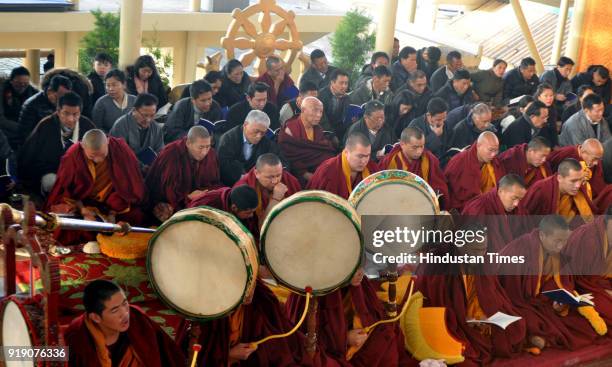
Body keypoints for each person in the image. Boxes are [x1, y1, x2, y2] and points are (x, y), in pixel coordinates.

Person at [416, 228, 527, 365]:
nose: (481, 255)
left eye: (483, 249)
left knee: (516, 329)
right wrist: (466, 318)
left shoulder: (482, 261)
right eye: (475, 250)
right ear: (460, 246)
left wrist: (486, 315)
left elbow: (492, 295)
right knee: (463, 354)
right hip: (455, 322)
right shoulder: (441, 265)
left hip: (478, 319)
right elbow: (437, 304)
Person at [499, 216, 607, 352]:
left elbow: (559, 283)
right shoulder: (519, 250)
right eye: (557, 241)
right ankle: (535, 337)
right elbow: (510, 292)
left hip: (542, 302)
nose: (561, 246)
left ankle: (540, 336)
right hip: (518, 302)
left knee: (582, 325)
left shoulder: (557, 253)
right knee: (526, 321)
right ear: (542, 235)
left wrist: (558, 302)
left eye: (564, 241)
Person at [286, 268, 414, 366]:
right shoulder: (313, 289)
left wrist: (366, 331)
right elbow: (303, 339)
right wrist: (345, 339)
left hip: (354, 340)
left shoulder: (359, 280)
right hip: (328, 347)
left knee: (388, 336)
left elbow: (373, 317)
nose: (360, 273)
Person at [46, 130, 146, 241]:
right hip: (84, 203)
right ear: (83, 146)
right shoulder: (73, 155)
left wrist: (112, 213)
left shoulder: (120, 150)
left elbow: (128, 187)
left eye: (103, 155)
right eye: (92, 156)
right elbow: (64, 191)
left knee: (136, 216)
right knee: (63, 225)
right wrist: (82, 210)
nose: (99, 160)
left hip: (114, 204)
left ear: (107, 142)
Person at [65, 279, 184, 367]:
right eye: (115, 310)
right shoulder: (77, 335)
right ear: (96, 317)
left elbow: (168, 352)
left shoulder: (137, 318)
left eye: (124, 303)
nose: (125, 313)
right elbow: (50, 355)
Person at [18, 92, 95, 194]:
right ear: (58, 112)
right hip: (52, 172)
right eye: (66, 113)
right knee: (52, 182)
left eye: (75, 114)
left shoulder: (87, 126)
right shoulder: (45, 126)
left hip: (79, 173)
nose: (70, 119)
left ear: (80, 112)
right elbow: (29, 155)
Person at [146, 126, 221, 222]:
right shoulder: (171, 154)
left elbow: (214, 182)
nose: (204, 152)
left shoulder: (211, 154)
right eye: (201, 147)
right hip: (169, 201)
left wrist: (206, 194)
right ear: (188, 143)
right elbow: (163, 190)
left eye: (208, 146)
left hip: (199, 198)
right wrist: (188, 197)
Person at [563, 210, 612, 326]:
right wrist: (606, 291)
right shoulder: (588, 239)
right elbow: (579, 279)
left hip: (601, 282)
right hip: (582, 287)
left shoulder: (607, 235)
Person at [379, 126, 449, 209]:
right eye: (414, 147)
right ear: (402, 144)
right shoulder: (390, 161)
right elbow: (381, 189)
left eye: (422, 146)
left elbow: (439, 184)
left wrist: (435, 193)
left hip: (422, 204)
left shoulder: (429, 159)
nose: (419, 151)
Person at [217, 110, 287, 186]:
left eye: (263, 133)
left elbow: (281, 160)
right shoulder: (228, 140)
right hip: (233, 183)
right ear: (245, 124)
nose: (258, 136)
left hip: (259, 181)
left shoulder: (265, 142)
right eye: (256, 131)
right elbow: (224, 167)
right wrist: (246, 179)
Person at [278, 96, 336, 185]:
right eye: (315, 110)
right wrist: (307, 175)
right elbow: (291, 159)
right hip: (300, 176)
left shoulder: (318, 129)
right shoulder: (291, 129)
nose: (319, 115)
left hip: (321, 171)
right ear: (303, 110)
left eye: (321, 111)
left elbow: (325, 151)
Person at [462, 174, 528, 251]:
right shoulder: (479, 207)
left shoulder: (517, 208)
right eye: (514, 198)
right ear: (500, 191)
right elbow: (472, 247)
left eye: (520, 199)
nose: (516, 204)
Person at [234, 153, 301, 228]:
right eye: (270, 177)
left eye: (278, 175)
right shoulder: (244, 189)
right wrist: (275, 198)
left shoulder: (290, 181)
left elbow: (299, 214)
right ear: (256, 173)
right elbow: (259, 227)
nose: (275, 181)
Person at [444, 131, 505, 211]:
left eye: (496, 151)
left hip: (486, 205)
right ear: (478, 146)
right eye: (490, 150)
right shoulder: (460, 161)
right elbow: (458, 196)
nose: (493, 155)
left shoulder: (493, 163)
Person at [307, 132, 379, 199]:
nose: (364, 161)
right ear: (346, 152)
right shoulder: (328, 170)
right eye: (360, 156)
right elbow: (314, 202)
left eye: (367, 156)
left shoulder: (372, 168)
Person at [520, 159, 596, 221]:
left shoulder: (581, 190)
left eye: (580, 180)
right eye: (573, 181)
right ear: (559, 178)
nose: (578, 185)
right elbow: (524, 218)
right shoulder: (541, 189)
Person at [109, 93, 165, 164]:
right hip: (127, 166)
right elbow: (118, 154)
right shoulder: (120, 125)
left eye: (152, 115)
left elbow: (160, 150)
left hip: (151, 168)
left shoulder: (156, 128)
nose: (148, 120)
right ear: (134, 110)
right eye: (144, 115)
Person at [18, 74, 72, 144]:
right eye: (59, 97)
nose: (63, 101)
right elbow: (26, 135)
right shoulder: (31, 105)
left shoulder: (60, 102)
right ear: (50, 91)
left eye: (65, 97)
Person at [0, 66, 37, 149]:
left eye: (25, 83)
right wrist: (22, 128)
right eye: (18, 83)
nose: (22, 86)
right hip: (5, 132)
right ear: (11, 81)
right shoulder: (2, 91)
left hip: (27, 133)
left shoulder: (34, 93)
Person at [408, 97, 453, 164]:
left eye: (444, 118)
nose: (442, 122)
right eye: (438, 120)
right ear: (429, 115)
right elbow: (414, 151)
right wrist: (434, 136)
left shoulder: (446, 124)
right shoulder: (415, 125)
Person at [92, 69, 136, 133]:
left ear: (124, 84)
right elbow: (97, 128)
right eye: (108, 85)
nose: (111, 89)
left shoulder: (135, 101)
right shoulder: (101, 103)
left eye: (114, 85)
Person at [318, 69, 351, 140]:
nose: (344, 86)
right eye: (341, 83)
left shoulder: (347, 98)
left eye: (346, 83)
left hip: (341, 134)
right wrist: (332, 136)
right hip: (324, 133)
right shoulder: (321, 96)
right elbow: (322, 120)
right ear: (332, 82)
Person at [533, 83, 560, 147]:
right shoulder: (534, 111)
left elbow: (553, 130)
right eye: (546, 96)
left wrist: (555, 144)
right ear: (539, 97)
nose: (549, 98)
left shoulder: (552, 109)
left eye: (551, 95)